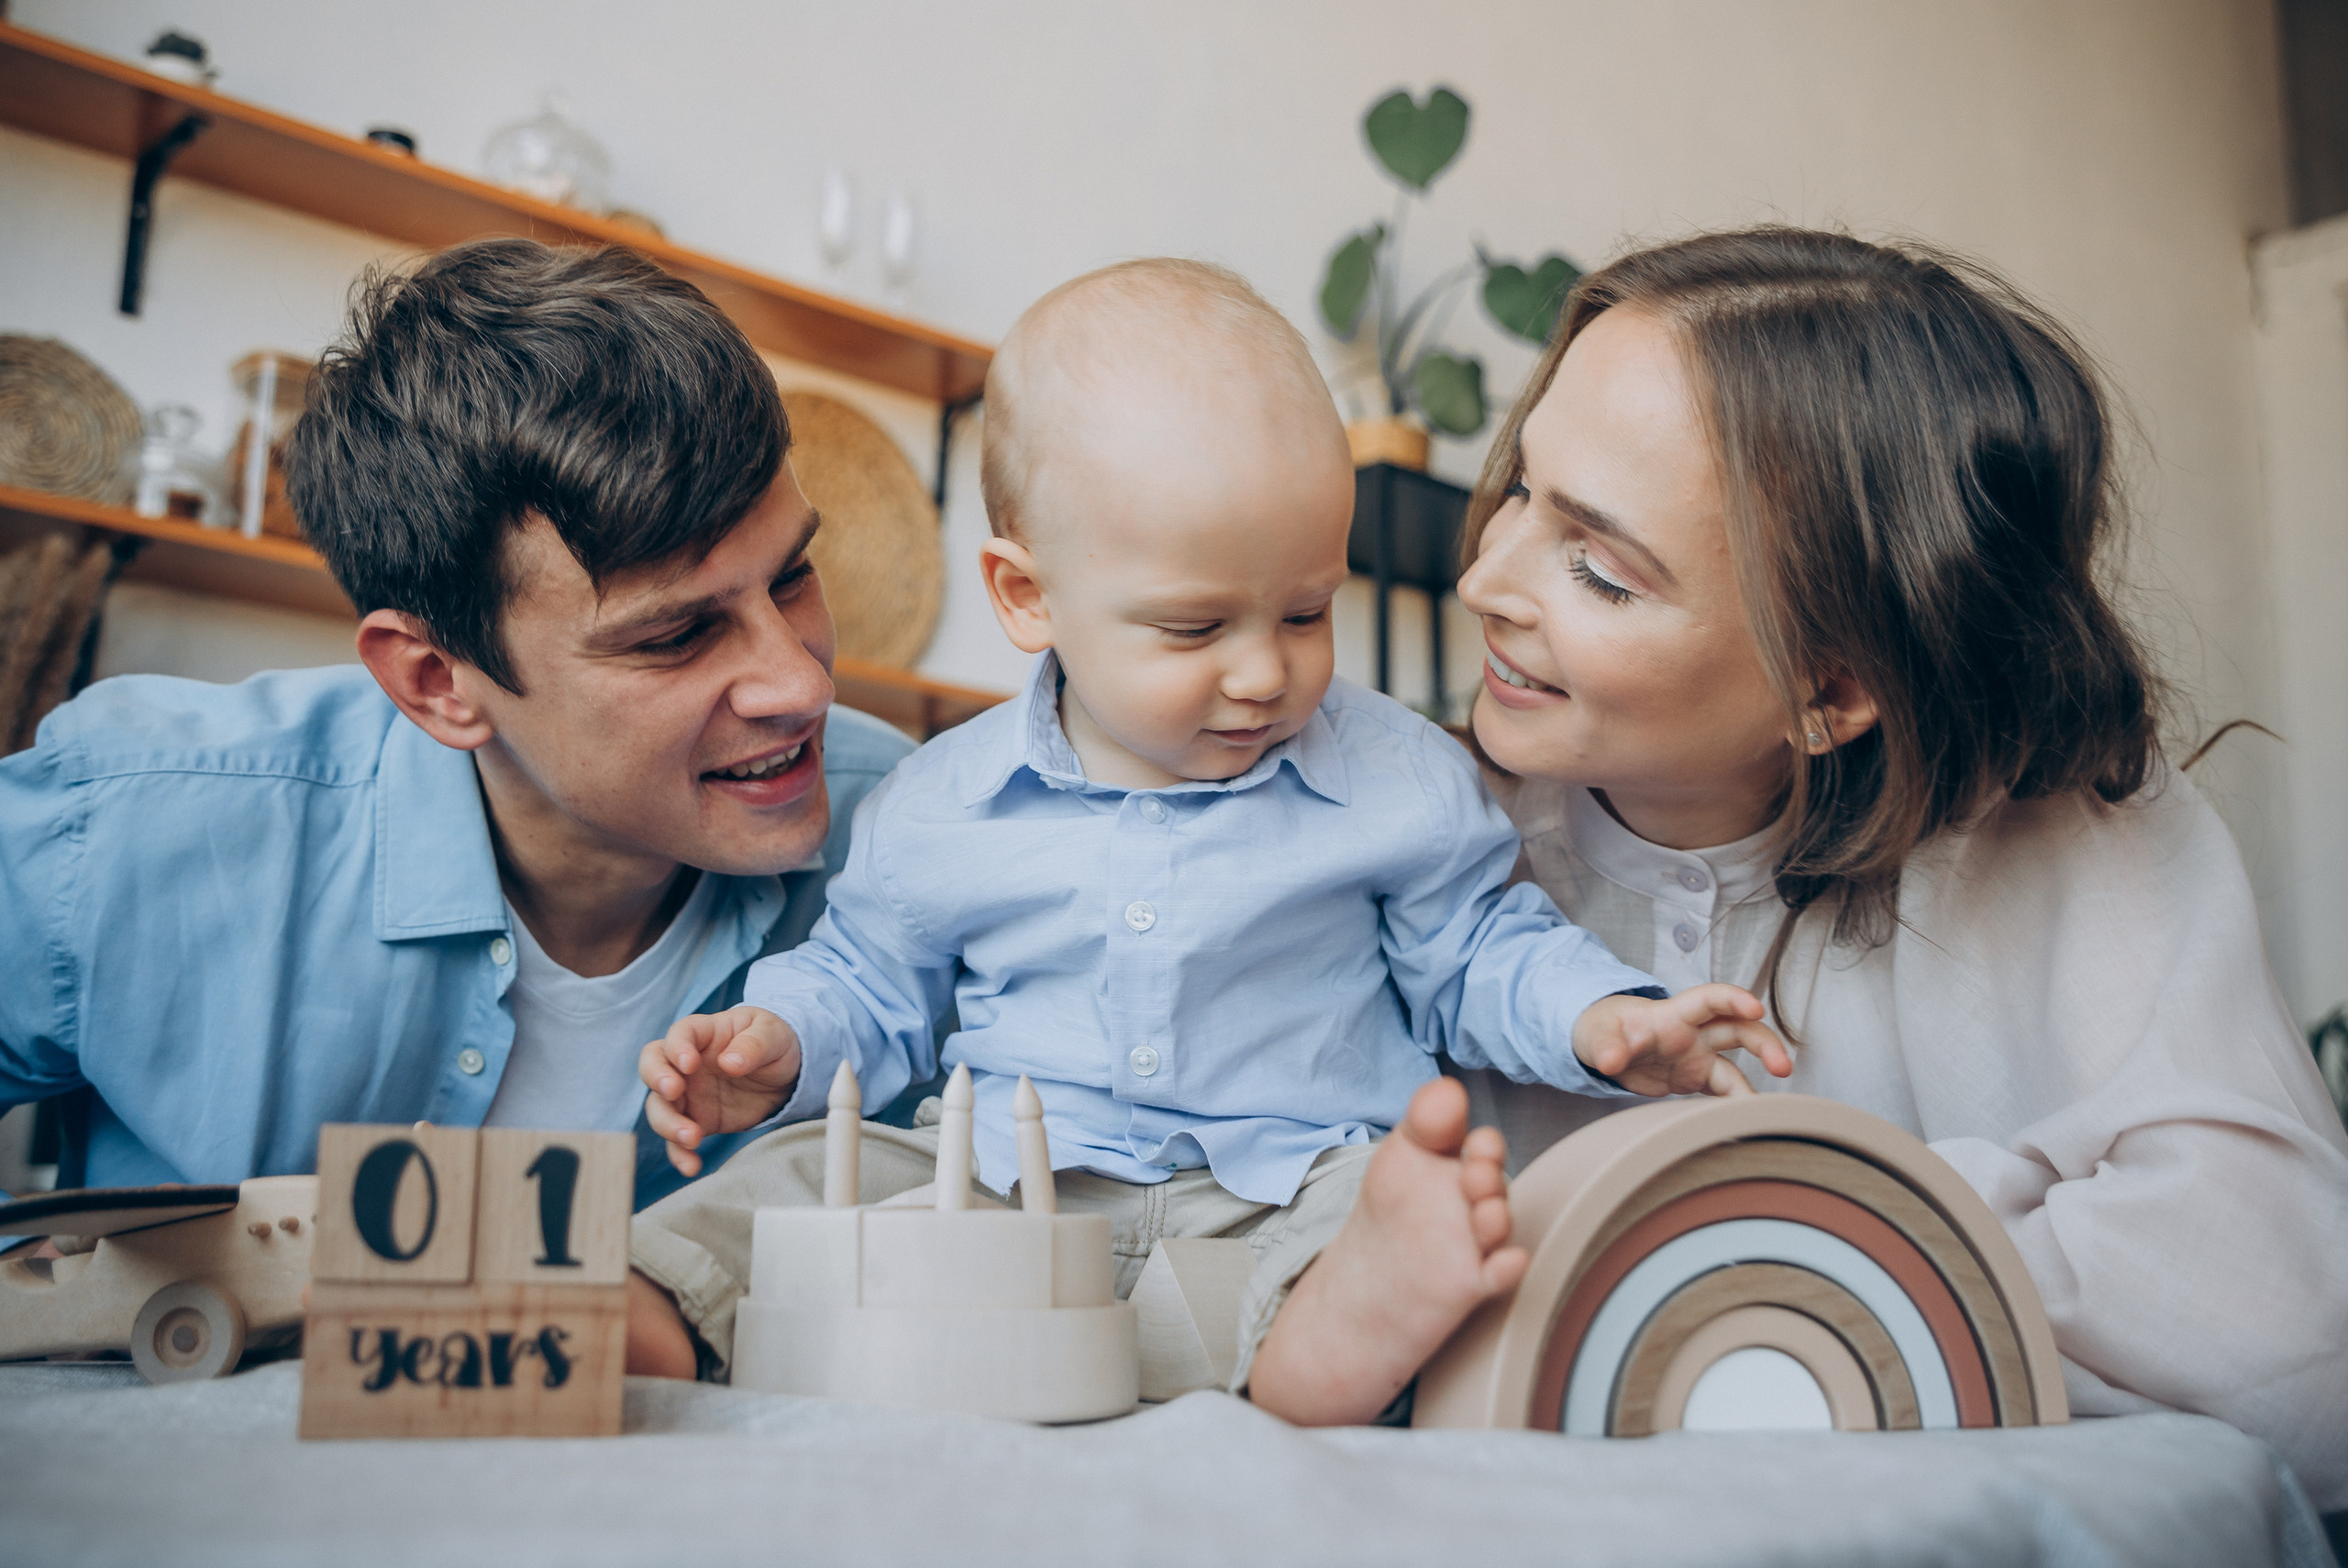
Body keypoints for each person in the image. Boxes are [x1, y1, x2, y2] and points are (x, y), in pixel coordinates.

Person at [621, 259, 1790, 1415]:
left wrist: (1600, 1018)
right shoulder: (939, 805)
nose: (1263, 672)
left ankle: (1323, 1343)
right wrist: (779, 1041)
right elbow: (869, 985)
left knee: (1386, 1201)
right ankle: (656, 1312)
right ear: (1028, 598)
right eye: (1192, 627)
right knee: (791, 1184)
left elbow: (1480, 950)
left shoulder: (1400, 782)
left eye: (1304, 611)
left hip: (1285, 1187)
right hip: (999, 1197)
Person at [1450, 226, 2348, 1504]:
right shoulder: (1422, 848)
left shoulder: (2065, 829)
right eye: (1522, 489)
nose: (1484, 575)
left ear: (1831, 692)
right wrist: (1998, 1233)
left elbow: (2298, 1340)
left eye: (1598, 568)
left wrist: (1782, 1229)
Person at [0, 239, 910, 1209]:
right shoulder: (127, 827)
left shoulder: (911, 831)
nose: (799, 687)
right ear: (437, 682)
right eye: (678, 634)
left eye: (792, 577)